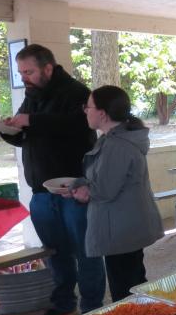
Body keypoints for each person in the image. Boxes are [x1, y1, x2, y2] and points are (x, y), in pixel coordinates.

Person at [1, 44, 105, 315]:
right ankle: (64, 304)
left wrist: (32, 121)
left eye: (29, 72)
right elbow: (28, 136)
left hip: (74, 190)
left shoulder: (77, 92)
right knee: (55, 253)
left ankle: (92, 310)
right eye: (21, 72)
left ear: (48, 68)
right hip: (41, 191)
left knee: (87, 251)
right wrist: (10, 130)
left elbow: (78, 127)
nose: (24, 77)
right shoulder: (32, 95)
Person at [67, 86, 163, 301]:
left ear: (102, 113)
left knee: (125, 292)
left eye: (88, 107)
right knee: (134, 282)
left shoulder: (116, 144)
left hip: (121, 229)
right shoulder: (115, 138)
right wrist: (79, 185)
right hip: (125, 225)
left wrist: (83, 191)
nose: (85, 111)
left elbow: (104, 189)